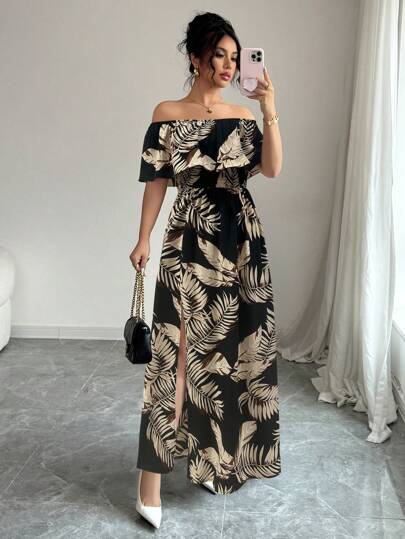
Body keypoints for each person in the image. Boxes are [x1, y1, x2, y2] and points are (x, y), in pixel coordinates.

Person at [130, 11, 283, 529]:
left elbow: (272, 169)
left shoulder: (242, 115)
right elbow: (156, 180)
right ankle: (150, 480)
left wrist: (269, 108)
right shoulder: (167, 113)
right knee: (175, 355)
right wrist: (143, 238)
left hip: (241, 244)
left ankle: (219, 460)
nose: (228, 65)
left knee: (234, 355)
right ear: (196, 57)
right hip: (189, 238)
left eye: (235, 57)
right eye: (220, 54)